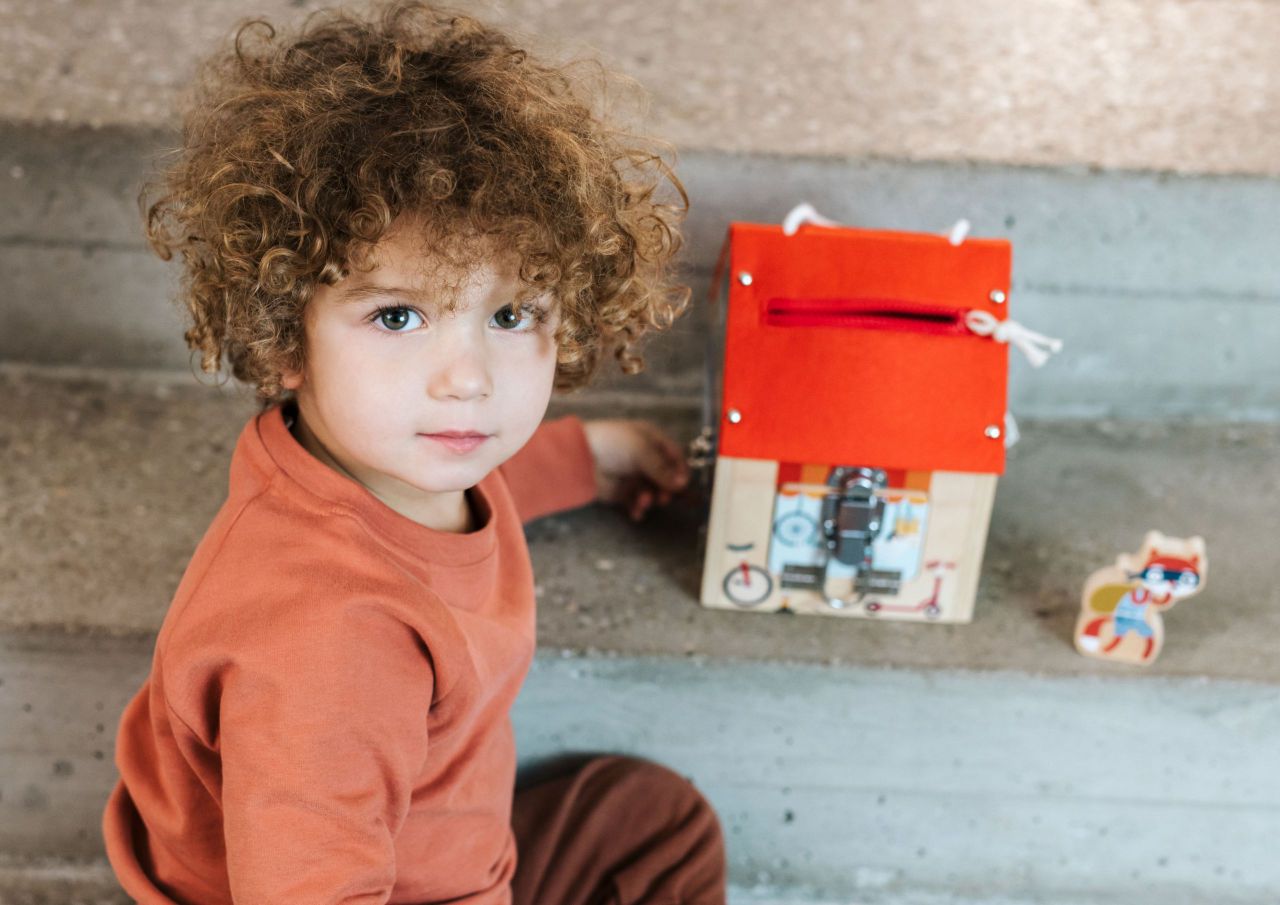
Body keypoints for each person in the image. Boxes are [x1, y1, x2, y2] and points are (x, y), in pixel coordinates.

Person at [100, 3, 727, 902]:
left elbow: (492, 476)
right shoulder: (328, 641)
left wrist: (591, 455)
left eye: (512, 316)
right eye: (398, 316)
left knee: (652, 821)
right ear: (285, 335)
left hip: (434, 841)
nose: (466, 379)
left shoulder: (397, 459)